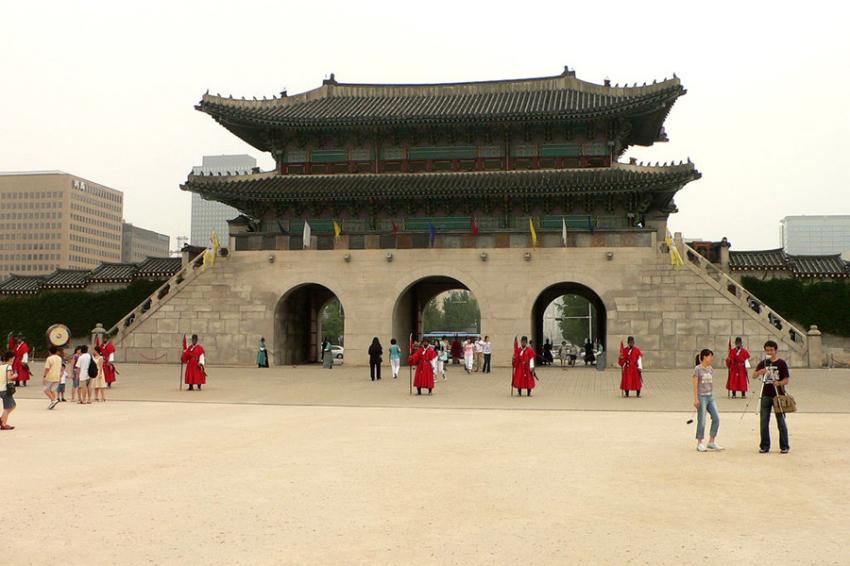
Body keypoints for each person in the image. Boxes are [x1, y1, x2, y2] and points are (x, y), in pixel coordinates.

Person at [752, 340, 791, 454]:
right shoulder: (763, 363)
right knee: (764, 421)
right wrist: (761, 371)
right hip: (765, 394)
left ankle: (784, 445)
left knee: (781, 421)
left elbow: (786, 379)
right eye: (767, 350)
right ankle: (764, 445)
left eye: (771, 350)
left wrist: (779, 383)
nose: (769, 352)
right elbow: (754, 375)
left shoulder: (781, 363)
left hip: (778, 395)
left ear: (775, 350)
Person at [692, 349, 723, 452]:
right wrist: (696, 399)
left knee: (716, 418)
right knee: (702, 419)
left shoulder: (710, 369)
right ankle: (699, 442)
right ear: (704, 357)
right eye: (710, 356)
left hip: (710, 396)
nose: (711, 359)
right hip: (702, 396)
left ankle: (711, 441)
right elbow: (695, 384)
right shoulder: (697, 369)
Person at [0, 351, 17, 430]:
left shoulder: (1, 366)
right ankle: (3, 424)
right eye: (13, 358)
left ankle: (2, 419)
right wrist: (15, 375)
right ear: (10, 358)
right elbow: (9, 377)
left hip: (1, 388)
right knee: (8, 408)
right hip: (6, 389)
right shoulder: (9, 367)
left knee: (12, 405)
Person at [42, 345, 62, 409]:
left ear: (49, 352)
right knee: (53, 389)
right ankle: (52, 402)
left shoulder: (49, 358)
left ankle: (53, 400)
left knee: (45, 389)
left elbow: (47, 368)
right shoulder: (59, 358)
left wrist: (44, 376)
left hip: (50, 375)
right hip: (57, 376)